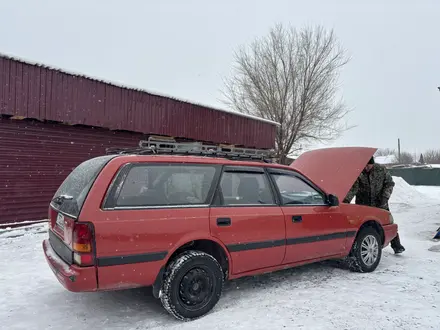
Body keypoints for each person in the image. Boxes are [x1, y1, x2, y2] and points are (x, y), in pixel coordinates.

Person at [343, 156, 405, 254]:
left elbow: (389, 183)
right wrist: (345, 201)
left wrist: (385, 197)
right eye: (365, 165)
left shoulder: (381, 170)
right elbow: (353, 188)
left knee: (386, 223)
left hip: (380, 202)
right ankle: (364, 245)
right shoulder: (358, 172)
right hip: (363, 204)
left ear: (373, 163)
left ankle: (396, 245)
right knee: (364, 225)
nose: (367, 167)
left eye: (369, 165)